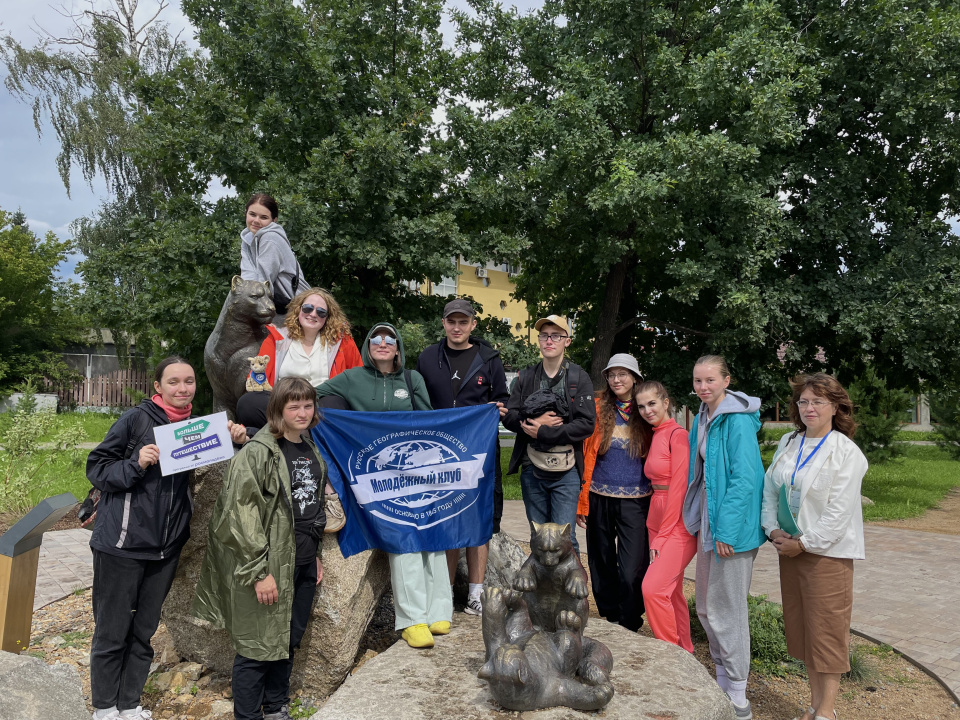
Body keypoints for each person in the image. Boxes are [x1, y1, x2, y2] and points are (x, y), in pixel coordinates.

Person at [86, 357, 244, 720]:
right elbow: (97, 468)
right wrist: (135, 463)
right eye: (173, 381)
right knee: (112, 630)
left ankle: (129, 705)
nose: (182, 388)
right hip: (122, 544)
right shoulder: (136, 420)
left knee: (143, 630)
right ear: (158, 386)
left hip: (165, 547)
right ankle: (104, 708)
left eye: (189, 381)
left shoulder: (197, 426)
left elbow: (215, 465)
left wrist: (235, 441)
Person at [193, 377, 327, 720]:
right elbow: (241, 517)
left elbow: (311, 507)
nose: (302, 412)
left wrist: (315, 558)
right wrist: (259, 571)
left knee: (287, 640)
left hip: (303, 561)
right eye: (293, 405)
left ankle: (276, 706)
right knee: (257, 646)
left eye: (307, 405)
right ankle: (249, 715)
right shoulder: (259, 453)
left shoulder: (309, 447)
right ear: (278, 409)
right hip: (270, 566)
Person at [317, 323, 452, 649]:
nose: (382, 342)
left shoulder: (412, 379)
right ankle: (412, 620)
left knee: (433, 532)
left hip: (416, 468)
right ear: (367, 345)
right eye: (375, 338)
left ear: (397, 346)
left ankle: (439, 610)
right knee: (404, 536)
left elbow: (429, 420)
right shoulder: (352, 379)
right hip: (378, 476)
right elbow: (314, 399)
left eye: (389, 338)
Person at [761, 373, 868, 720]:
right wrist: (772, 529)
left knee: (827, 635)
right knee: (804, 632)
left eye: (817, 402)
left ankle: (826, 712)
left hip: (825, 556)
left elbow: (838, 512)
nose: (809, 408)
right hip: (789, 550)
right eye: (803, 401)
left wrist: (804, 543)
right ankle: (812, 705)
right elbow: (771, 490)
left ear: (835, 407)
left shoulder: (846, 453)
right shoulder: (790, 443)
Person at [681, 354, 765, 719]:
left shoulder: (737, 421)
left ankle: (739, 696)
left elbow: (746, 479)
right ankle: (721, 682)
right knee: (705, 607)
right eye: (698, 381)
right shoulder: (703, 417)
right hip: (710, 526)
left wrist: (726, 530)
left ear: (726, 380)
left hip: (731, 531)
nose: (703, 387)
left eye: (710, 380)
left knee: (727, 610)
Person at [416, 298, 509, 616]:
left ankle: (476, 594)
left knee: (479, 518)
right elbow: (417, 403)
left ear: (473, 325)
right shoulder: (427, 358)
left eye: (463, 322)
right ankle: (444, 591)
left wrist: (501, 410)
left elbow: (502, 401)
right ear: (443, 323)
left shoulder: (489, 358)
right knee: (448, 517)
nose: (457, 327)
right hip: (439, 454)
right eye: (451, 321)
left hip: (479, 451)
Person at [502, 315, 596, 554]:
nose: (549, 340)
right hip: (532, 469)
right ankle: (541, 591)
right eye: (544, 335)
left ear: (567, 341)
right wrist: (532, 422)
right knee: (539, 537)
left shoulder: (578, 378)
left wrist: (544, 431)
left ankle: (572, 591)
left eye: (556, 335)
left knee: (566, 539)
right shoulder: (526, 377)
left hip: (567, 471)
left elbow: (586, 425)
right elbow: (510, 416)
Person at [574, 353, 650, 632]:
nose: (617, 380)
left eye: (623, 374)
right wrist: (581, 503)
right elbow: (583, 450)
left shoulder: (646, 409)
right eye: (612, 375)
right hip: (598, 496)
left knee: (632, 567)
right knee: (601, 560)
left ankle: (630, 618)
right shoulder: (597, 407)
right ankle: (610, 615)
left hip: (636, 500)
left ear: (635, 378)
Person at [236, 287, 362, 434]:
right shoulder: (277, 339)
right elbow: (257, 376)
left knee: (335, 403)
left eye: (321, 312)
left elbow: (358, 377)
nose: (313, 314)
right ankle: (301, 434)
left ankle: (291, 434)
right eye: (308, 308)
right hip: (284, 405)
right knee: (248, 403)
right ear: (298, 310)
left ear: (328, 317)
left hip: (320, 408)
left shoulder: (342, 342)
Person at [636, 380, 697, 652]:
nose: (647, 410)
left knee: (653, 589)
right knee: (672, 593)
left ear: (665, 402)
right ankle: (685, 651)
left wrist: (662, 537)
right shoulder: (656, 434)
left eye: (652, 403)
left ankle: (670, 654)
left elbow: (679, 488)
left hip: (677, 523)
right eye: (641, 406)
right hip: (656, 519)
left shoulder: (678, 435)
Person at [240, 193, 307, 316]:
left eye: (264, 217)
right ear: (246, 213)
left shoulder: (270, 238)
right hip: (278, 305)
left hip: (298, 308)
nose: (256, 221)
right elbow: (247, 278)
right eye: (252, 214)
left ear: (273, 220)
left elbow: (263, 284)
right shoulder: (248, 239)